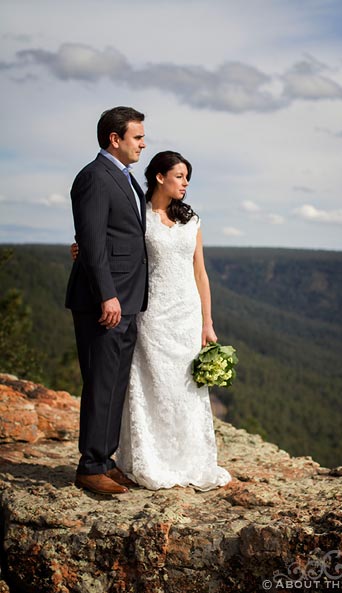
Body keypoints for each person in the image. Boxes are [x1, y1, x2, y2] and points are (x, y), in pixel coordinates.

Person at [72, 150, 231, 491]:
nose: (185, 183)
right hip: (151, 312)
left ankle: (189, 459)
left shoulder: (193, 220)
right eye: (179, 176)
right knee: (151, 385)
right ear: (159, 177)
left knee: (186, 387)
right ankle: (146, 458)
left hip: (187, 314)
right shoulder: (139, 215)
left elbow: (200, 273)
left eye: (188, 178)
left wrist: (207, 321)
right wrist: (81, 250)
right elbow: (108, 243)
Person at [65, 106, 148, 495]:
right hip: (106, 301)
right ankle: (89, 466)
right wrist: (108, 296)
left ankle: (104, 458)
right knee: (100, 382)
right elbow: (94, 242)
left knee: (116, 383)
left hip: (129, 299)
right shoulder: (94, 177)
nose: (143, 144)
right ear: (114, 139)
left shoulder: (126, 179)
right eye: (137, 137)